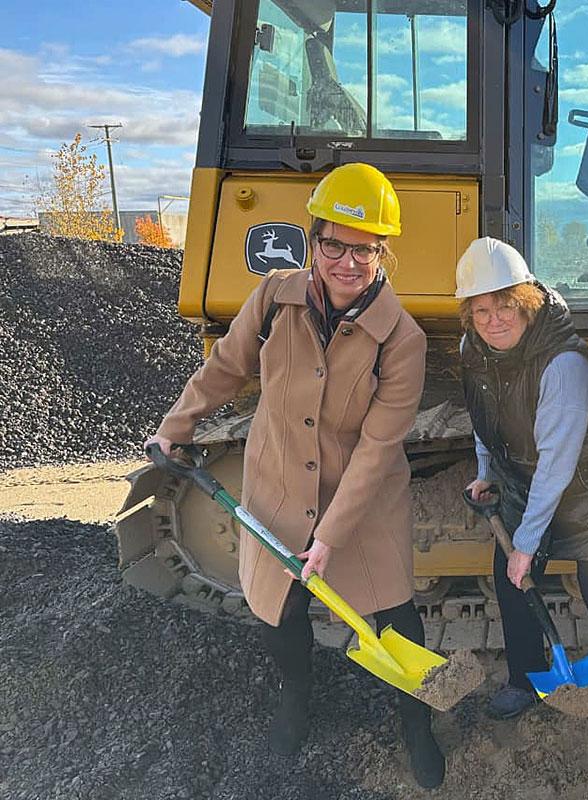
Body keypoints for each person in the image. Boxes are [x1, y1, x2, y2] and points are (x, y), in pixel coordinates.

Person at [144, 162, 446, 788]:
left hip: (360, 505)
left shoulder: (402, 340)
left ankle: (417, 726)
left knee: (395, 618)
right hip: (278, 490)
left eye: (364, 248)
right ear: (313, 241)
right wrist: (177, 424)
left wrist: (332, 536)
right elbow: (225, 367)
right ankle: (295, 700)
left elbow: (378, 448)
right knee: (280, 614)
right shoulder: (274, 297)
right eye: (334, 243)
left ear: (382, 252)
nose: (346, 260)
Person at [455, 236, 588, 742]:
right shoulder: (473, 350)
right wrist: (486, 471)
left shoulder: (565, 366)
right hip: (526, 476)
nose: (494, 320)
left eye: (505, 305)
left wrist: (526, 545)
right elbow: (484, 416)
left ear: (527, 301)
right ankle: (527, 680)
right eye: (481, 309)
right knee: (511, 582)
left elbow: (557, 465)